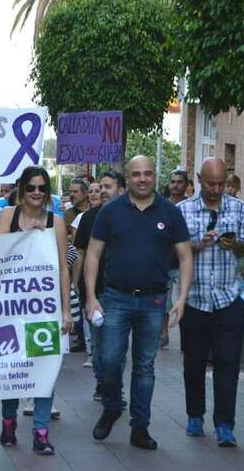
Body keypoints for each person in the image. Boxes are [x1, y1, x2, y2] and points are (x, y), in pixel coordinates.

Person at [84, 156, 192, 451]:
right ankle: (112, 406)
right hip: (115, 298)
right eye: (136, 174)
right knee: (107, 361)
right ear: (127, 178)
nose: (142, 179)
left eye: (147, 174)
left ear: (155, 176)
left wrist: (181, 298)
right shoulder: (110, 212)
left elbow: (184, 256)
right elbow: (93, 254)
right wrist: (92, 296)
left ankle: (140, 428)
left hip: (154, 301)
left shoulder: (170, 212)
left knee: (144, 367)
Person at [177, 157, 244, 448]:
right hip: (195, 299)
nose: (216, 189)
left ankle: (225, 425)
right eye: (210, 183)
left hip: (229, 298)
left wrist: (234, 244)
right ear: (199, 179)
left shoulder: (239, 209)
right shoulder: (181, 211)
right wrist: (198, 244)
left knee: (228, 363)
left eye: (221, 183)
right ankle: (194, 416)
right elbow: (173, 253)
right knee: (194, 363)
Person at [0, 166, 73, 456]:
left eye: (42, 188)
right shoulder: (8, 216)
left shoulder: (57, 222)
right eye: (31, 188)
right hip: (11, 307)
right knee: (10, 368)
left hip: (44, 308)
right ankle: (8, 421)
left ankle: (41, 431)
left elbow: (63, 268)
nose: (37, 193)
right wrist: (27, 235)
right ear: (22, 190)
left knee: (45, 369)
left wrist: (66, 311)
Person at [73, 170, 125, 400]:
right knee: (98, 343)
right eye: (100, 187)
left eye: (108, 186)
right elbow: (81, 254)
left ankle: (114, 387)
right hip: (95, 291)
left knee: (117, 345)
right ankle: (102, 382)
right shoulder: (88, 218)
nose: (103, 191)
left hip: (122, 291)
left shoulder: (130, 216)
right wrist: (77, 286)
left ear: (121, 190)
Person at [70, 180, 101, 367]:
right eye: (92, 191)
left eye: (98, 190)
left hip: (108, 278)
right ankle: (91, 352)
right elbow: (78, 250)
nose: (95, 194)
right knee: (89, 315)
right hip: (88, 276)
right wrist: (76, 280)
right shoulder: (84, 218)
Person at [161, 168, 191, 347]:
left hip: (183, 261)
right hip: (164, 260)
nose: (175, 185)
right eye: (173, 182)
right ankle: (164, 334)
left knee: (185, 297)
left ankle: (187, 336)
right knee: (163, 300)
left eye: (179, 182)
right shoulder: (162, 206)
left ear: (186, 185)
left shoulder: (190, 207)